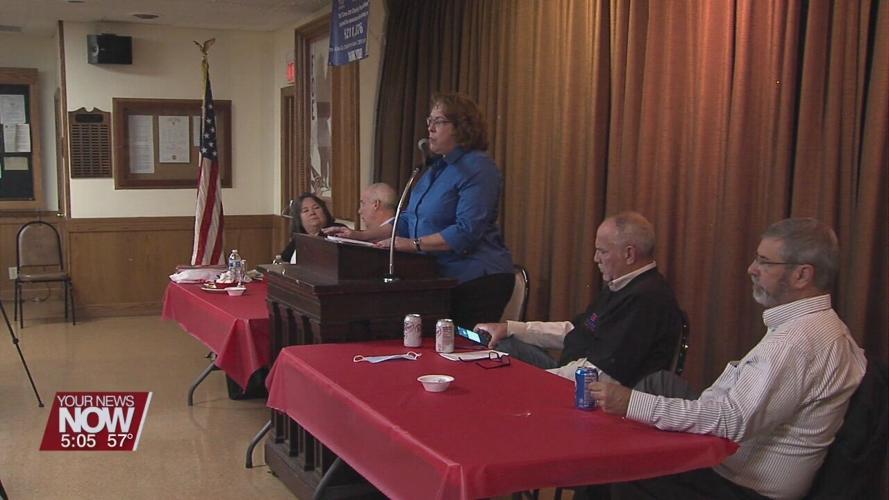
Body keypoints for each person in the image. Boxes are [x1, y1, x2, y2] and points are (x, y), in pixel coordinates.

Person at [590, 218, 866, 500]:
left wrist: (630, 401)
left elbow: (732, 421)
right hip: (737, 464)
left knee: (626, 465)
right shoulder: (829, 328)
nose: (752, 269)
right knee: (658, 384)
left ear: (801, 276)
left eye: (764, 262)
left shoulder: (796, 342)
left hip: (742, 486)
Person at [326, 93, 514, 328]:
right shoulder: (434, 169)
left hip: (477, 278)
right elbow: (407, 221)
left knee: (460, 355)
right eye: (429, 121)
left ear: (462, 127)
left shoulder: (478, 168)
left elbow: (466, 232)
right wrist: (359, 236)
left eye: (439, 121)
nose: (430, 128)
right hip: (440, 278)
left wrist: (412, 244)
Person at [475, 211, 683, 387]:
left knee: (504, 371)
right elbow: (576, 330)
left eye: (602, 251)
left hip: (591, 389)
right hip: (574, 371)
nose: (595, 259)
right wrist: (510, 328)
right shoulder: (623, 286)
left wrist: (536, 380)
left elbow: (601, 373)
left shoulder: (647, 299)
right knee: (504, 344)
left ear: (629, 254)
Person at [281, 193, 343, 263]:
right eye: (305, 210)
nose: (312, 213)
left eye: (316, 208)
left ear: (325, 211)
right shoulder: (300, 236)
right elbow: (285, 258)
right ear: (299, 218)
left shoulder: (338, 230)